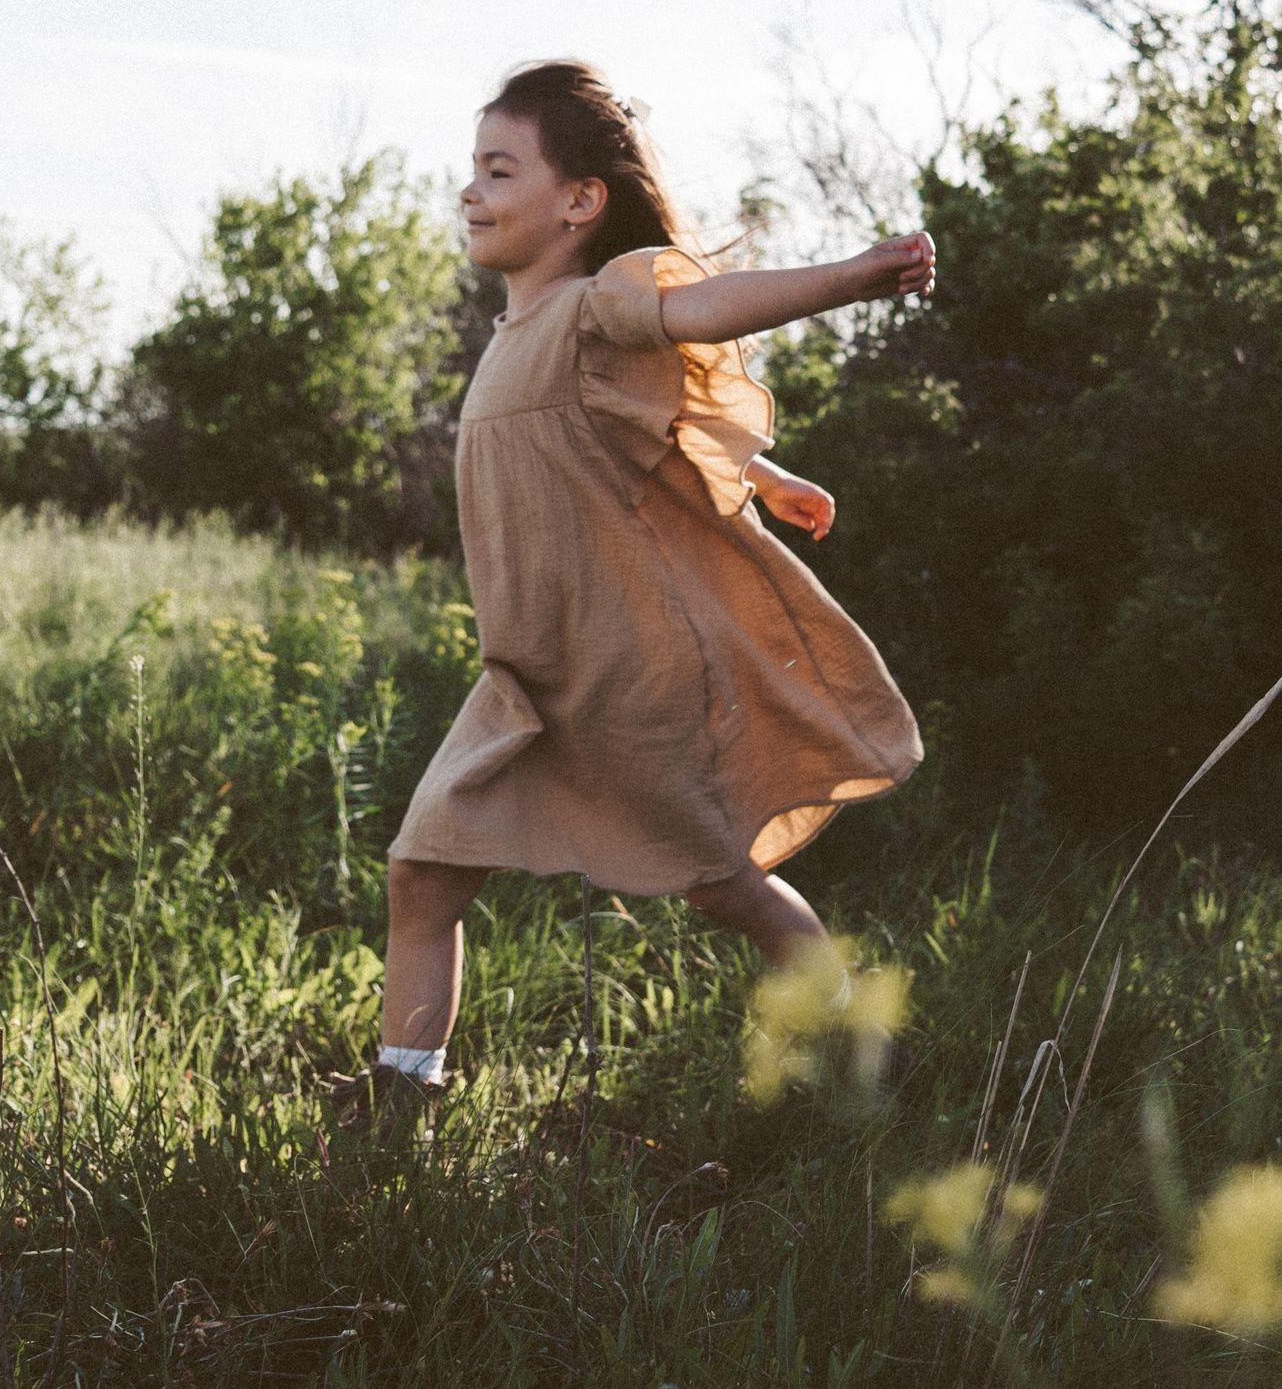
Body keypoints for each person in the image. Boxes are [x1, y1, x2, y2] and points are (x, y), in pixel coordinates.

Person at [326, 59, 930, 1126]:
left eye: (498, 170)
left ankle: (856, 1037)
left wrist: (848, 277)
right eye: (473, 168)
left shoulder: (594, 306)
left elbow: (701, 310)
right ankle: (401, 1100)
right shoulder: (520, 337)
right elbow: (651, 424)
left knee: (722, 883)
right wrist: (763, 475)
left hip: (620, 675)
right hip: (525, 677)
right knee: (421, 872)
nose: (470, 190)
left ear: (579, 201)